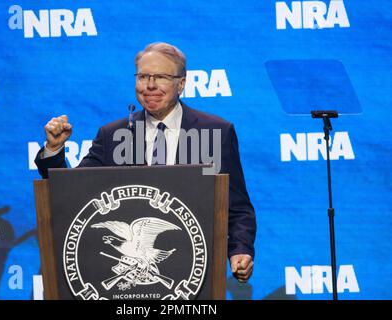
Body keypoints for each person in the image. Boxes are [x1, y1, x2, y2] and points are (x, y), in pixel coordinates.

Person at [35, 42, 256, 283]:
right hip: (130, 281)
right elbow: (73, 192)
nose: (150, 86)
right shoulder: (114, 135)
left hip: (194, 271)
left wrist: (240, 250)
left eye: (160, 77)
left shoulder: (216, 131)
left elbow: (237, 207)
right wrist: (54, 150)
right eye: (143, 77)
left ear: (181, 83)